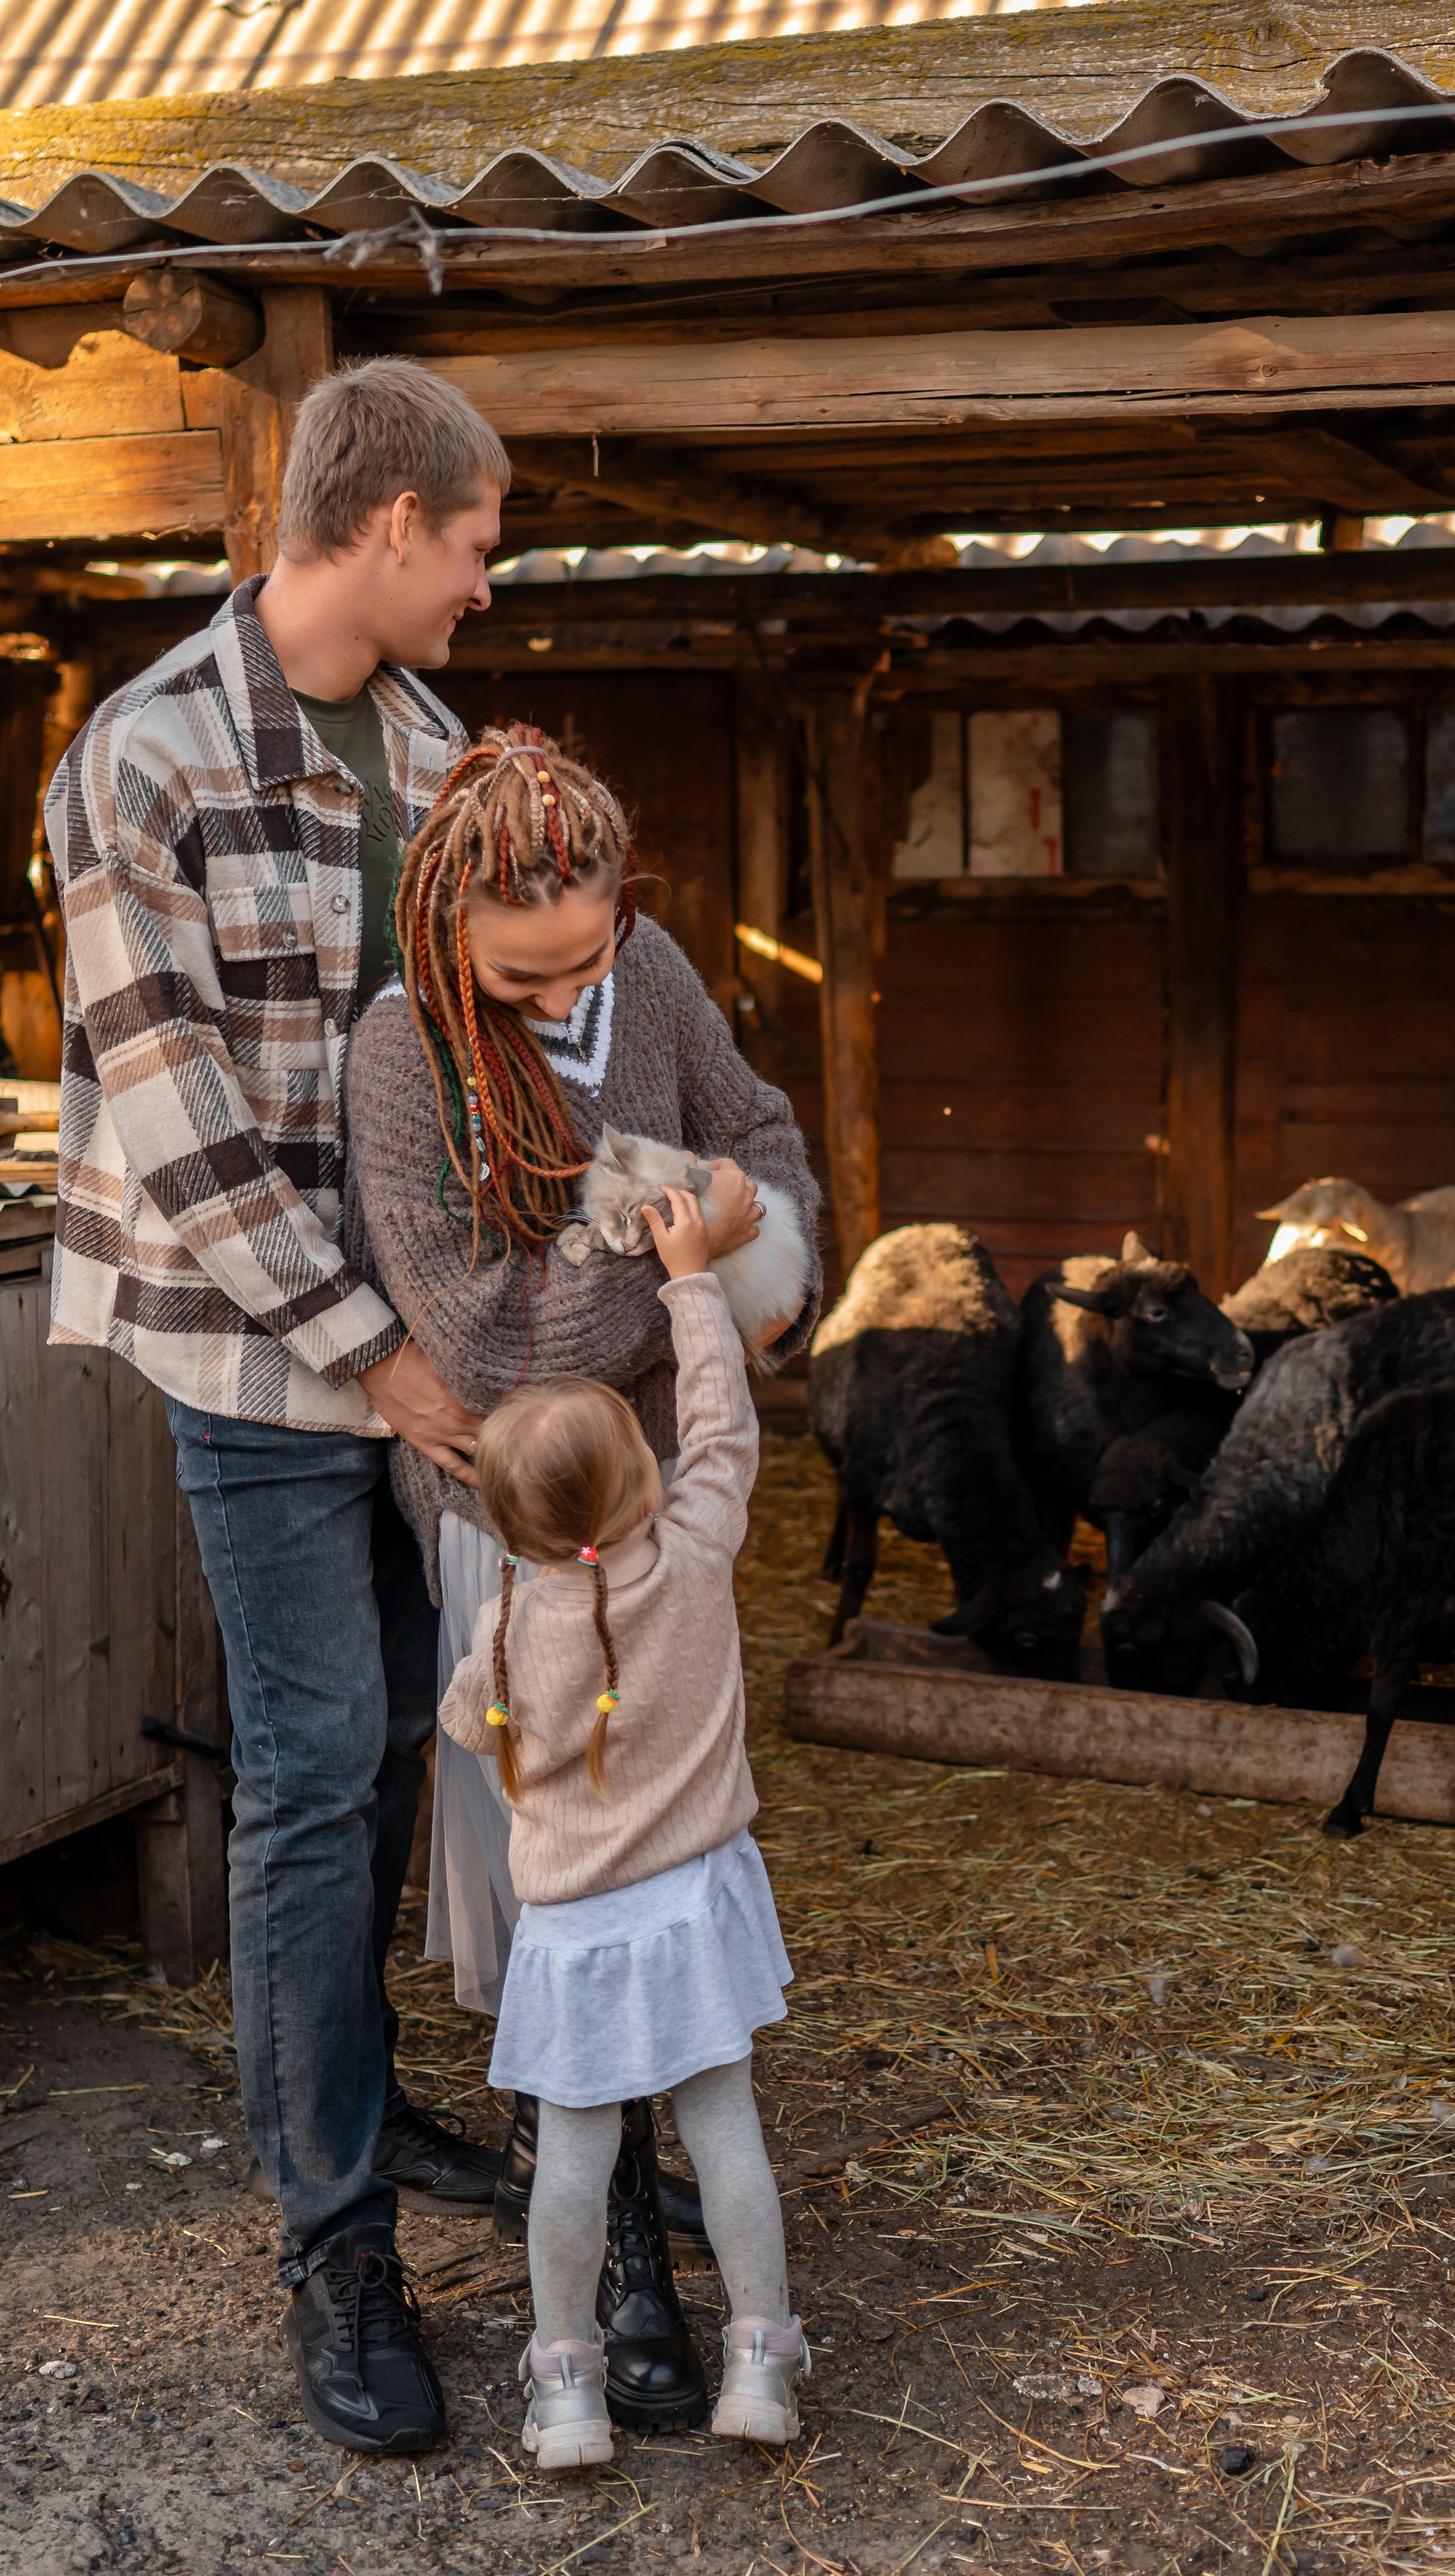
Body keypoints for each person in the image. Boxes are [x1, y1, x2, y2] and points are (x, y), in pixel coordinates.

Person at [46, 357, 514, 2456]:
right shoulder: (140, 760)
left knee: (406, 1717)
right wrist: (396, 1364)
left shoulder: (428, 747)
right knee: (318, 1757)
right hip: (254, 1348)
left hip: (418, 1352)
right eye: (484, 546)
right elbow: (187, 1136)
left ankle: (358, 2081)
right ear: (395, 521)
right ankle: (332, 2238)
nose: (491, 590)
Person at [344, 722, 821, 2430]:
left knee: (645, 1835)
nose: (564, 998)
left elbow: (757, 1132)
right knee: (550, 1889)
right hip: (517, 1503)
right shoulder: (402, 1063)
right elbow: (476, 1336)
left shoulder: (658, 974)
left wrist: (727, 1214)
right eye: (523, 972)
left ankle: (654, 2264)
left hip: (651, 1485)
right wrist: (686, 1256)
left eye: (588, 954)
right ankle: (625, 2263)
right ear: (447, 924)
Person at [439, 1181, 808, 2470]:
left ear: (518, 1530)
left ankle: (567, 2394)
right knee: (727, 2139)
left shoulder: (504, 1625)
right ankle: (762, 2358)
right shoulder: (700, 1553)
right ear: (647, 1484)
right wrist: (690, 1280)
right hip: (697, 1904)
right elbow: (724, 1427)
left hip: (577, 1930)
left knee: (575, 2166)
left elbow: (466, 1729)